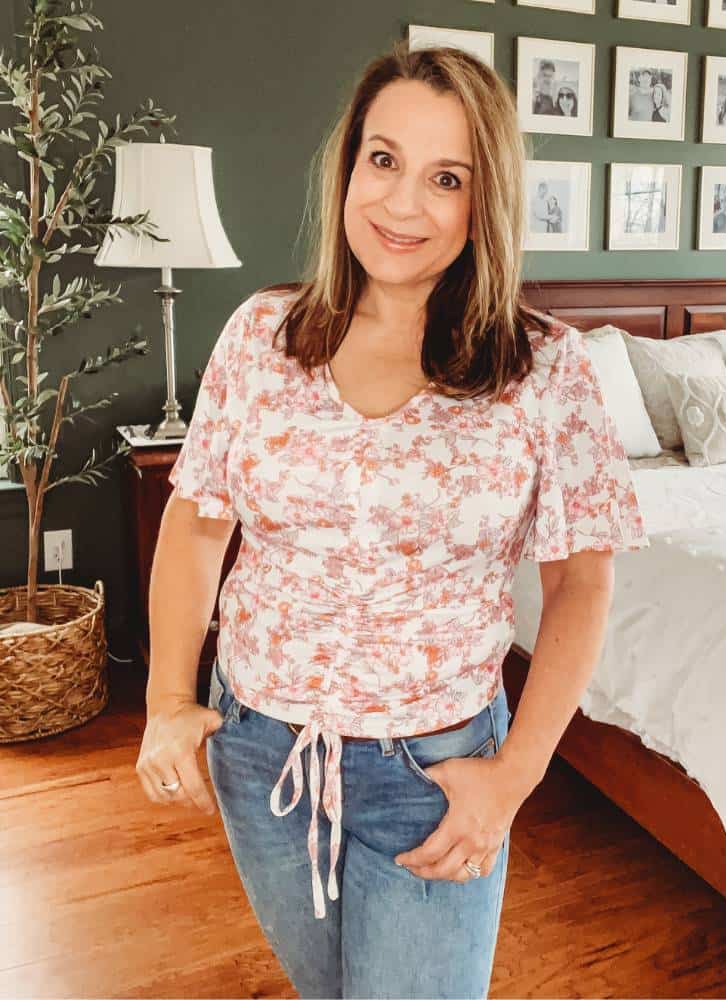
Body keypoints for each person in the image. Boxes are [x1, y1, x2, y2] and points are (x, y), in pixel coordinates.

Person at [136, 39, 650, 1000]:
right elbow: (198, 523)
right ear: (348, 166)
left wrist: (514, 779)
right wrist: (169, 699)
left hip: (440, 770)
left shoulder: (548, 373)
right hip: (260, 751)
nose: (402, 204)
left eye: (445, 177)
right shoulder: (261, 337)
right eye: (384, 160)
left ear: (481, 201)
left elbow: (580, 583)